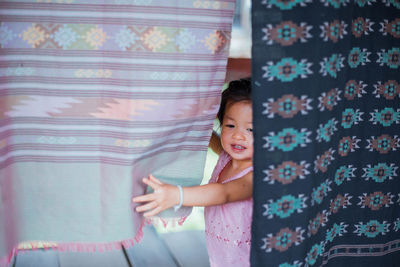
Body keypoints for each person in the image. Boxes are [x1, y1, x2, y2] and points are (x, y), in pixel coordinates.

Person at [133, 78, 253, 267]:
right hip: (222, 255)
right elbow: (207, 137)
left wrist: (177, 195)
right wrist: (192, 121)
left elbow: (224, 193)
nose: (238, 135)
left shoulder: (258, 176)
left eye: (251, 129)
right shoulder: (228, 156)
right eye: (230, 125)